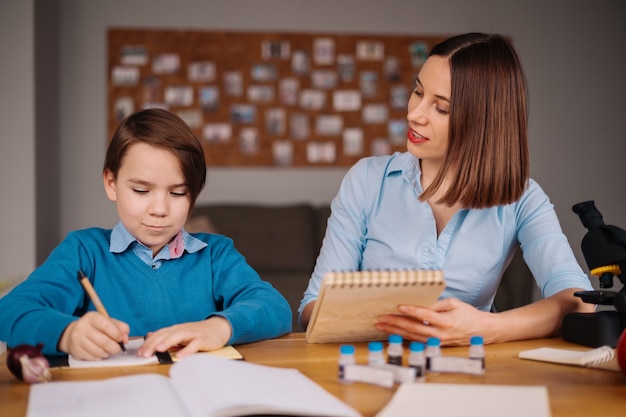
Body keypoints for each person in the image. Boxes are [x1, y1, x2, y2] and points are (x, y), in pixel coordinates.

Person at [299, 33, 595, 345]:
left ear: (484, 122)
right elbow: (311, 308)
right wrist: (393, 323)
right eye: (418, 92)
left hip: (472, 371)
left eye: (441, 108)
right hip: (372, 364)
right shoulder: (367, 180)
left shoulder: (522, 199)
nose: (414, 114)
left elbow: (579, 301)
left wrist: (484, 328)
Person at [0, 108, 291, 360]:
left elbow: (276, 308)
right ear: (111, 183)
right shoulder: (83, 251)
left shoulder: (215, 255)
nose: (160, 209)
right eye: (141, 190)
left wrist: (218, 327)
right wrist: (67, 333)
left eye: (178, 193)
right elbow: (11, 310)